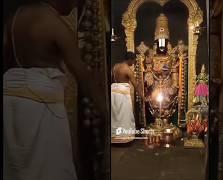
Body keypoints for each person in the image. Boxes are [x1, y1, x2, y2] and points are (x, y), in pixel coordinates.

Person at [3, 0, 108, 180]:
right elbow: (84, 76)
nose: (75, 6)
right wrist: (106, 114)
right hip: (41, 111)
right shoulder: (55, 25)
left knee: (18, 168)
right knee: (51, 169)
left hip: (11, 106)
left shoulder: (13, 20)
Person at [111, 52, 143, 143]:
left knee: (115, 116)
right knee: (124, 116)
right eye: (133, 61)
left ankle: (114, 137)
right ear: (130, 59)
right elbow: (136, 85)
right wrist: (143, 97)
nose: (133, 63)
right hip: (122, 95)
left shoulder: (115, 66)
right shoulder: (127, 70)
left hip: (113, 92)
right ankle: (123, 138)